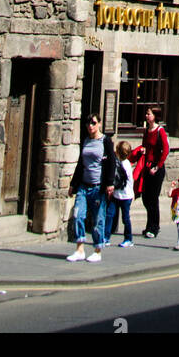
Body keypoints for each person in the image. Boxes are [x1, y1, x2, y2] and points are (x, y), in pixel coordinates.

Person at [67, 112, 116, 262]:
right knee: (78, 215)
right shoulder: (86, 141)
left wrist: (109, 183)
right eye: (88, 123)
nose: (90, 126)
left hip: (98, 187)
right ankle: (80, 249)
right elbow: (81, 164)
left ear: (99, 124)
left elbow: (111, 163)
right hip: (83, 185)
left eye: (93, 123)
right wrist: (73, 184)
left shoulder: (105, 141)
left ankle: (97, 249)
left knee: (97, 219)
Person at [134, 106, 170, 239]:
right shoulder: (146, 131)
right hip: (147, 167)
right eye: (147, 113)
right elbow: (145, 146)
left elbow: (165, 150)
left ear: (155, 116)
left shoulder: (160, 131)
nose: (146, 116)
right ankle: (149, 225)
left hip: (156, 168)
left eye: (149, 114)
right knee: (145, 197)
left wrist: (158, 166)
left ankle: (154, 227)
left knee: (153, 199)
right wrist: (142, 150)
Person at [104, 140, 136, 247]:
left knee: (125, 218)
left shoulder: (124, 165)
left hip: (125, 196)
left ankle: (128, 238)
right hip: (117, 195)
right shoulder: (119, 162)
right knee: (110, 214)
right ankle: (106, 237)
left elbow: (121, 180)